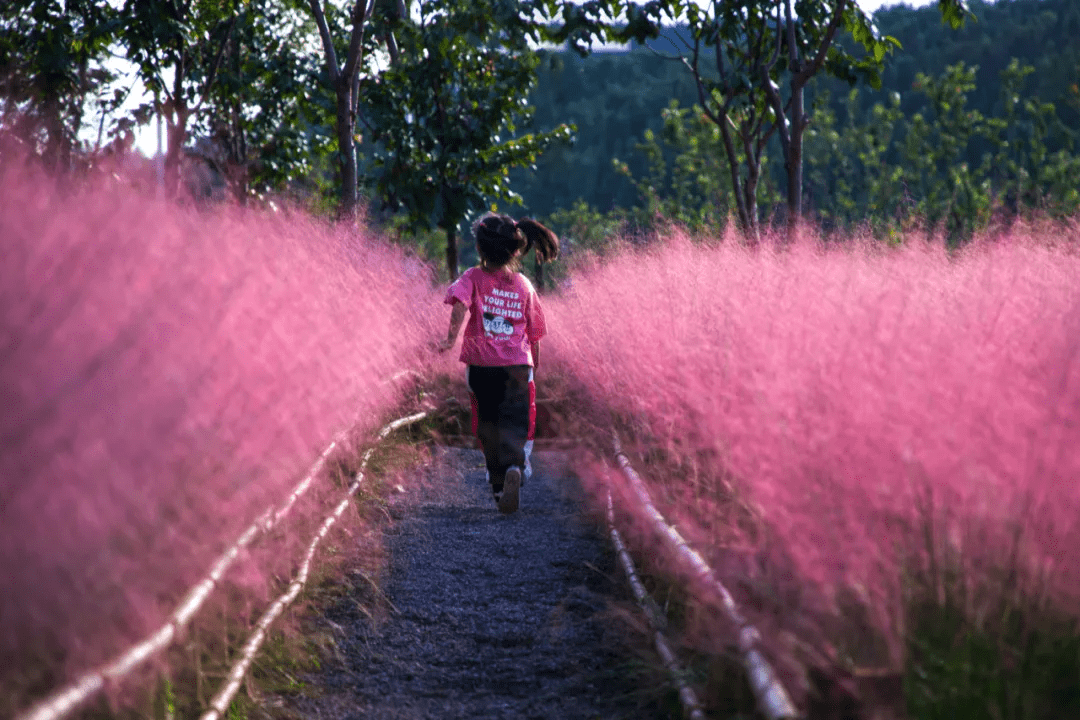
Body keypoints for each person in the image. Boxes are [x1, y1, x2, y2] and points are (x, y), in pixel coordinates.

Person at [438, 213, 559, 514]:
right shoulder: (524, 285)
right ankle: (515, 469)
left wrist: (449, 341)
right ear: (516, 250)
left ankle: (497, 485)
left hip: (481, 366)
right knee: (517, 423)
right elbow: (535, 332)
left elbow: (459, 306)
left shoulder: (472, 278)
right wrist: (534, 367)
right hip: (518, 366)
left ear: (480, 249)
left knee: (487, 426)